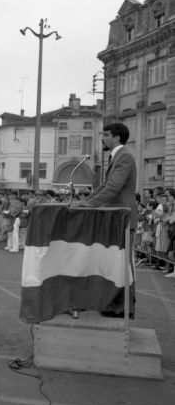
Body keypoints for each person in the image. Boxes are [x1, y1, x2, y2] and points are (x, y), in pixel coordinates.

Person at [76, 122, 137, 317]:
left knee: (123, 265)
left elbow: (113, 187)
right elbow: (104, 186)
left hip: (122, 217)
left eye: (106, 135)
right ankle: (114, 305)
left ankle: (123, 308)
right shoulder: (116, 156)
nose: (102, 138)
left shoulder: (124, 156)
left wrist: (89, 204)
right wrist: (86, 201)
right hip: (116, 217)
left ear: (117, 138)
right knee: (114, 263)